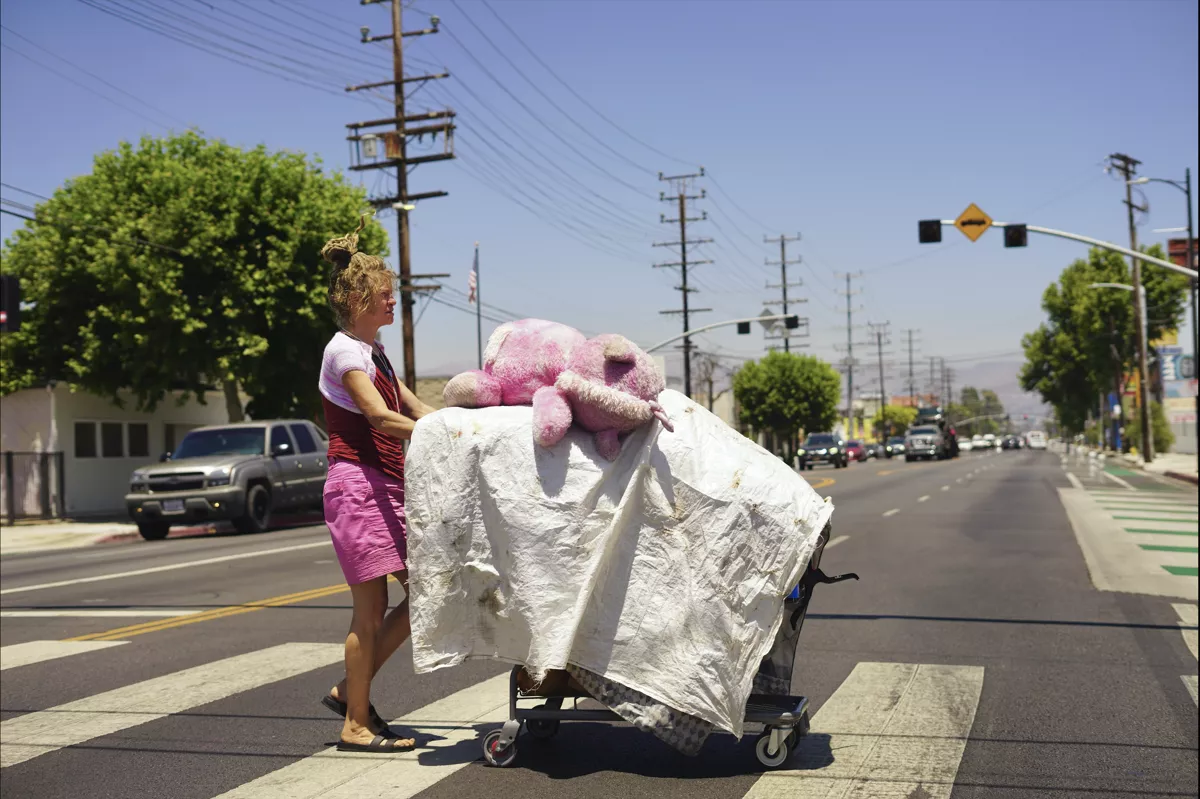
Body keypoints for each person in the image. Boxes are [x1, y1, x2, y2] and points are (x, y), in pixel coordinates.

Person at [316, 215, 437, 753]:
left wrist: (474, 427)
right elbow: (379, 416)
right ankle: (355, 724)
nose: (393, 303)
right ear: (361, 299)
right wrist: (441, 438)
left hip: (386, 484)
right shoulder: (344, 352)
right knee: (370, 610)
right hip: (356, 485)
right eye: (386, 296)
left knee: (428, 592)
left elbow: (414, 408)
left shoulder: (376, 353)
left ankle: (350, 690)